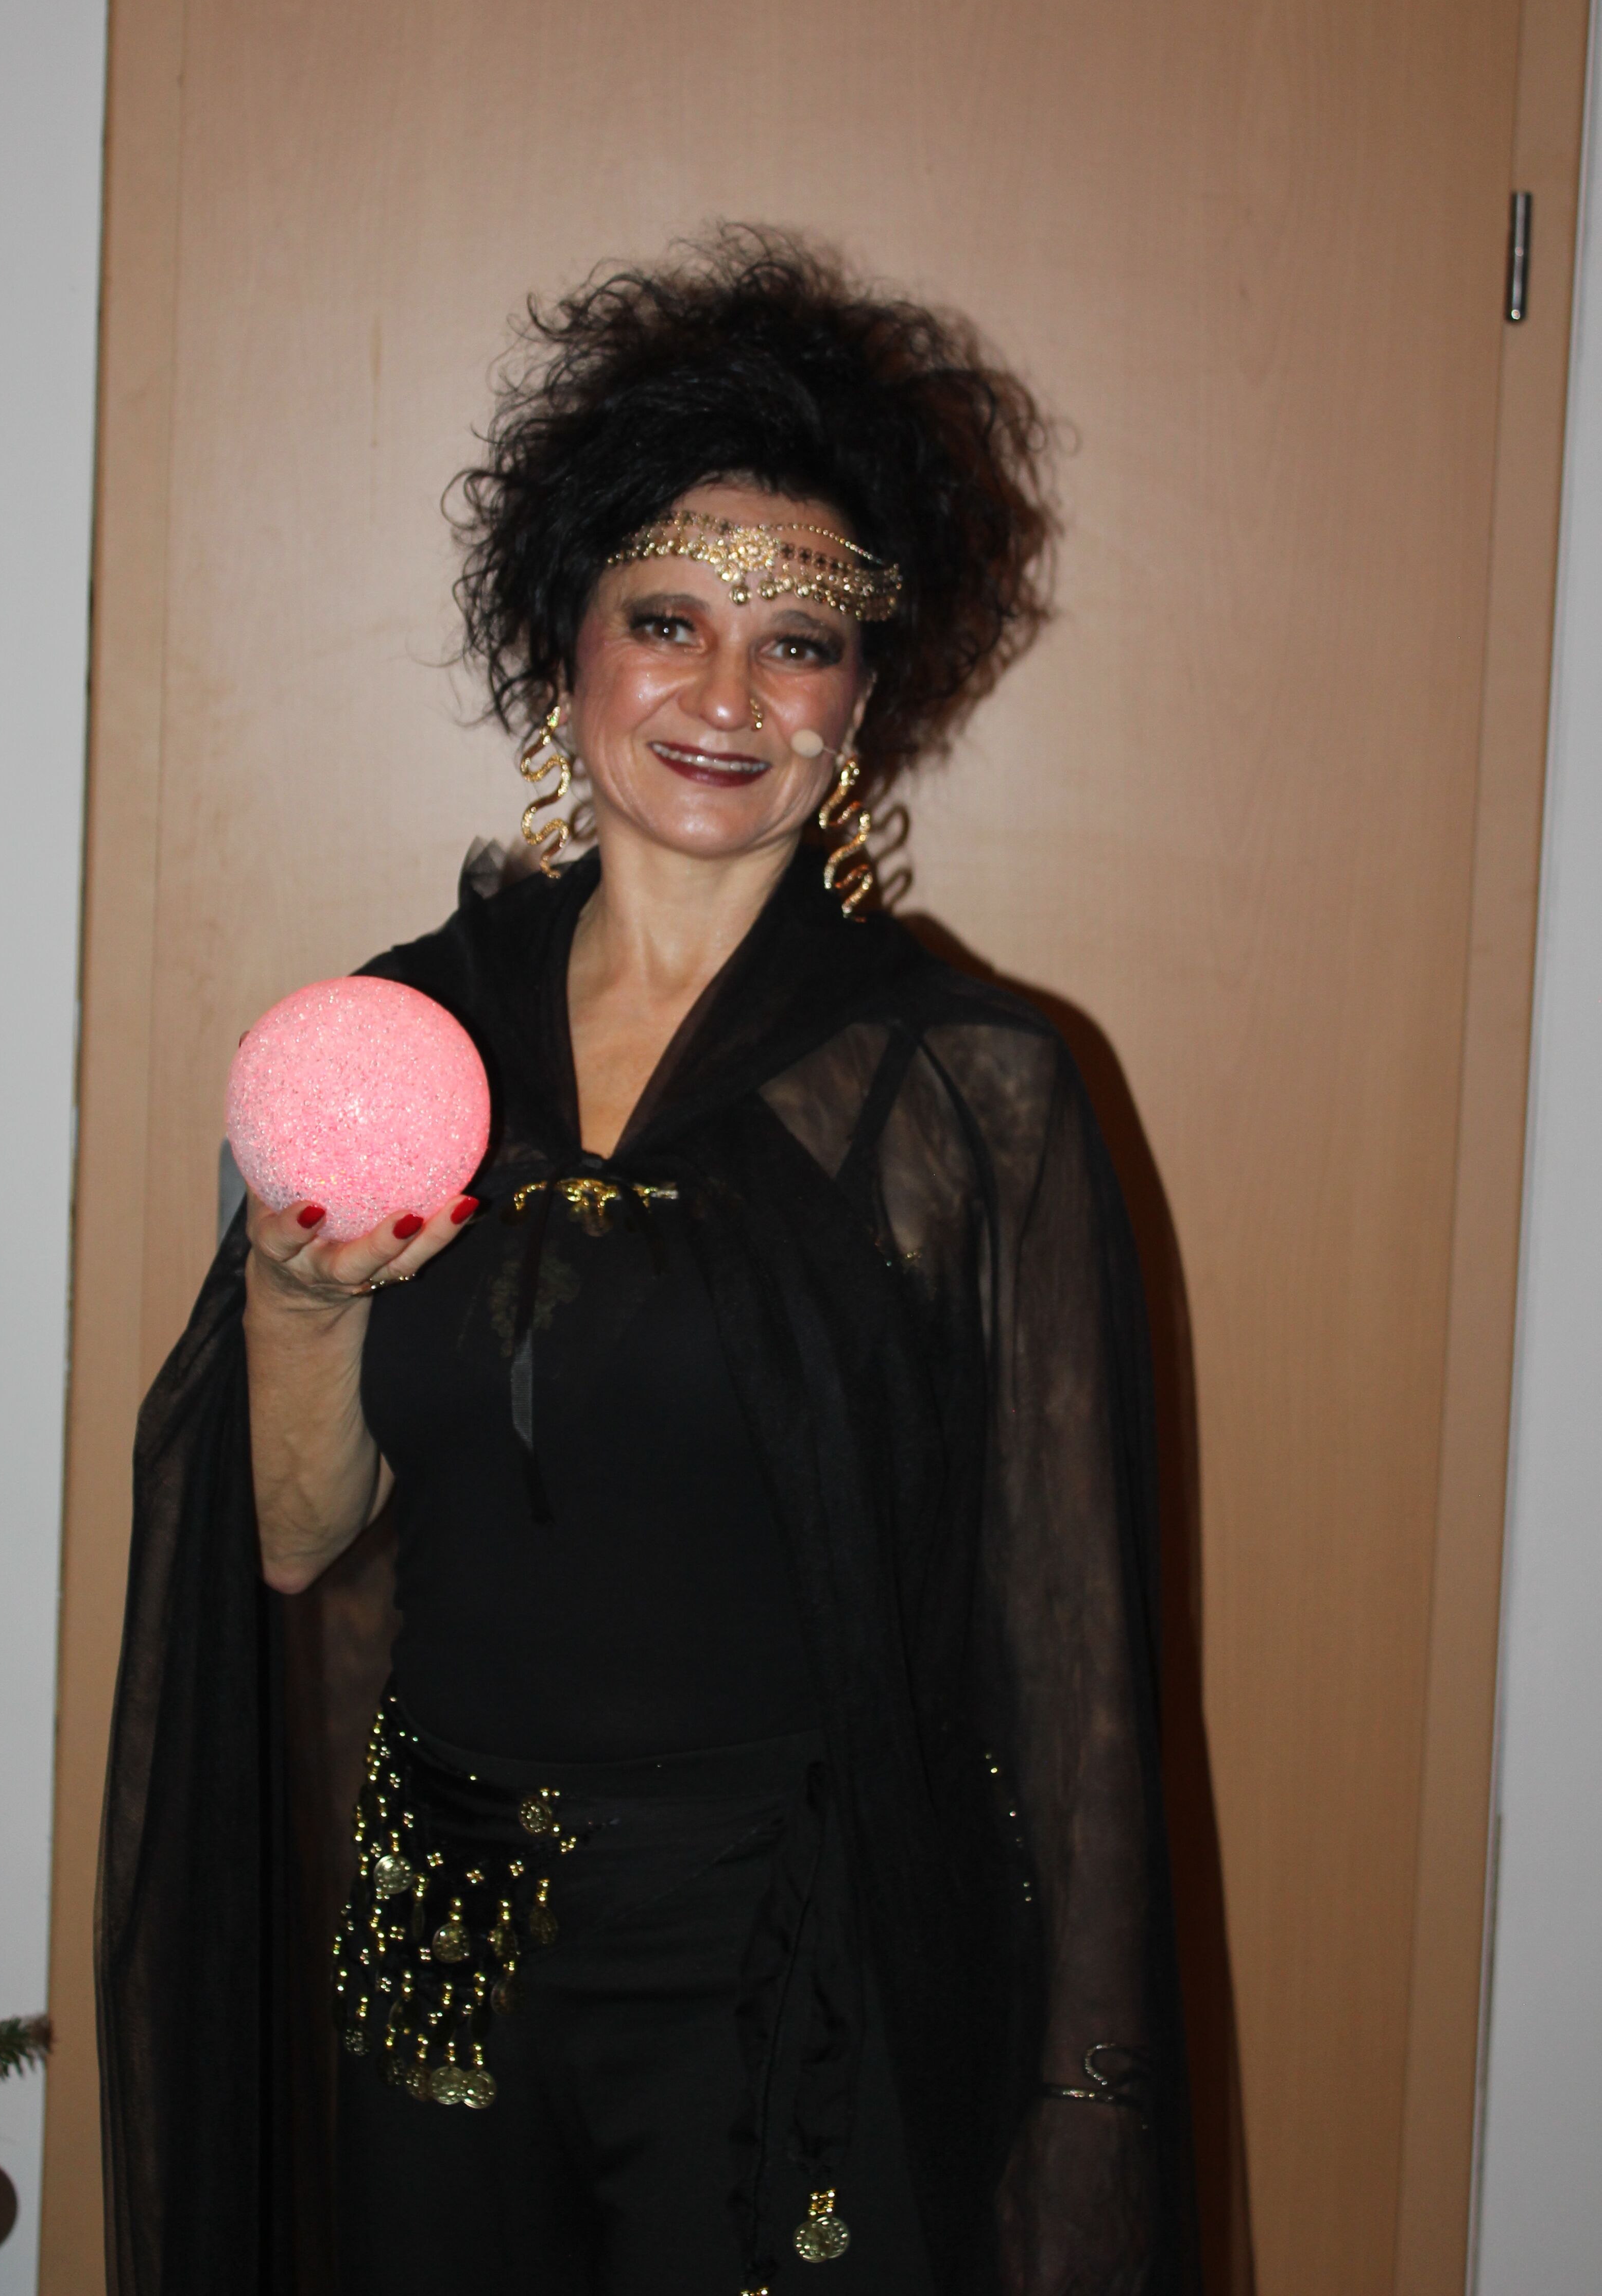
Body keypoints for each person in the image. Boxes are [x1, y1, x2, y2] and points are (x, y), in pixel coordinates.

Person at [98, 231, 1198, 2296]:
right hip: (440, 1917)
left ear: (865, 701)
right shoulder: (404, 1044)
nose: (725, 696)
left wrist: (1077, 2086)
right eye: (668, 621)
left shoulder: (964, 1094)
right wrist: (302, 1299)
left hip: (782, 1950)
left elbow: (1068, 1663)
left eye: (802, 643)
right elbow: (300, 1541)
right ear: (568, 644)